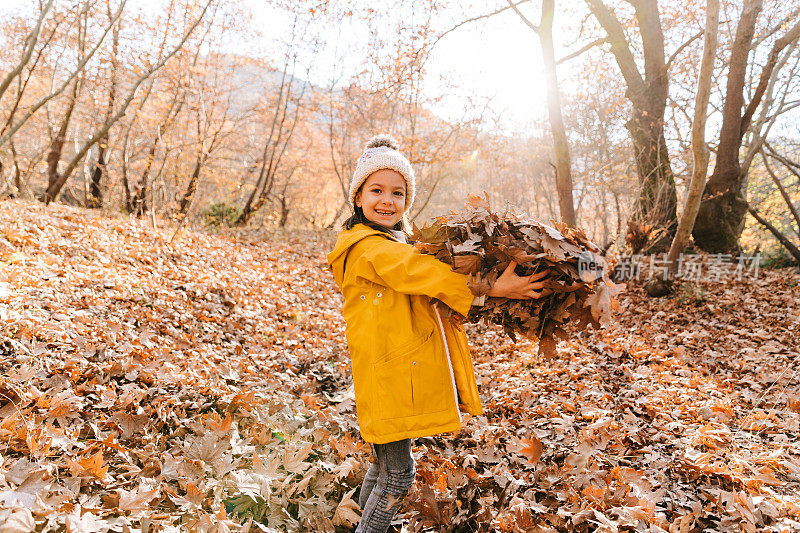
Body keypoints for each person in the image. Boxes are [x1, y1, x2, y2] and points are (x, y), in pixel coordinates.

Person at [327, 134, 549, 532]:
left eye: (398, 193)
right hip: (389, 374)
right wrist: (492, 287)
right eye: (376, 190)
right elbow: (420, 271)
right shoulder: (370, 248)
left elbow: (419, 272)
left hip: (389, 371)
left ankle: (353, 519)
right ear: (358, 197)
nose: (387, 200)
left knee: (385, 465)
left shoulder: (390, 242)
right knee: (399, 475)